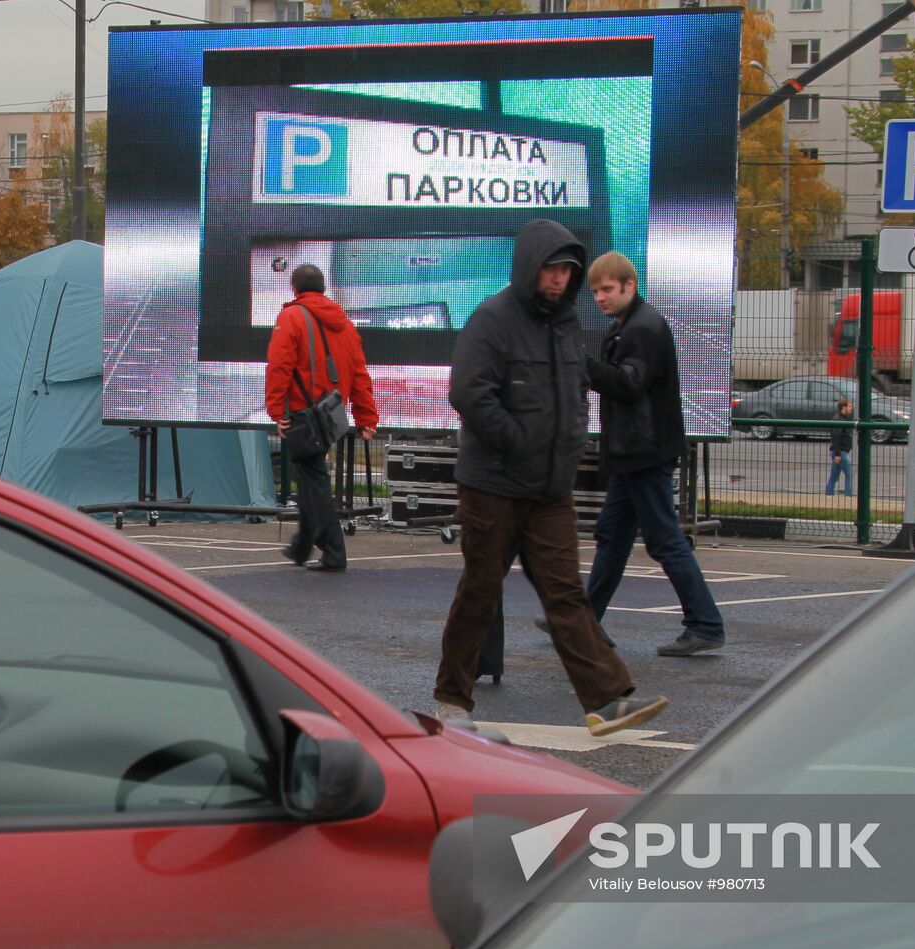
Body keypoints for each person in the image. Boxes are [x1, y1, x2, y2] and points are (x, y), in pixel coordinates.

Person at [432, 220, 669, 737]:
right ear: (529, 267)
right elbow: (470, 394)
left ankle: (608, 701)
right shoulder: (492, 319)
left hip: (549, 491)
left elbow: (575, 393)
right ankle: (451, 700)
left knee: (567, 595)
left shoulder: (566, 324)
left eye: (567, 270)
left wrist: (567, 451)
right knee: (479, 591)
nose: (560, 279)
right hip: (493, 486)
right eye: (551, 268)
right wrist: (520, 440)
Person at [554, 251, 726, 658]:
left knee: (663, 539)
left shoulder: (642, 328)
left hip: (644, 451)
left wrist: (584, 365)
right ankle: (585, 620)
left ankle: (704, 624)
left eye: (608, 289)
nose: (600, 297)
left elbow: (630, 384)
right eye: (595, 291)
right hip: (637, 451)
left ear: (630, 286)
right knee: (613, 536)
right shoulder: (632, 325)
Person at [266, 264, 378, 573]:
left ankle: (333, 551)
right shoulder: (344, 323)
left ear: (294, 288)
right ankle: (302, 545)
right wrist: (366, 417)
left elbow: (279, 366)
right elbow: (359, 373)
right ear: (324, 287)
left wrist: (277, 411)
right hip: (331, 414)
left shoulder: (291, 317)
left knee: (314, 480)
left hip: (304, 414)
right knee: (309, 476)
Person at [826, 397, 854, 497]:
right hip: (841, 451)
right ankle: (848, 497)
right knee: (849, 475)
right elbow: (836, 438)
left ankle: (829, 495)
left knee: (834, 476)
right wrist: (837, 454)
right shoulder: (839, 419)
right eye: (850, 406)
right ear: (843, 407)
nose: (852, 408)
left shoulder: (843, 418)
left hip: (840, 451)